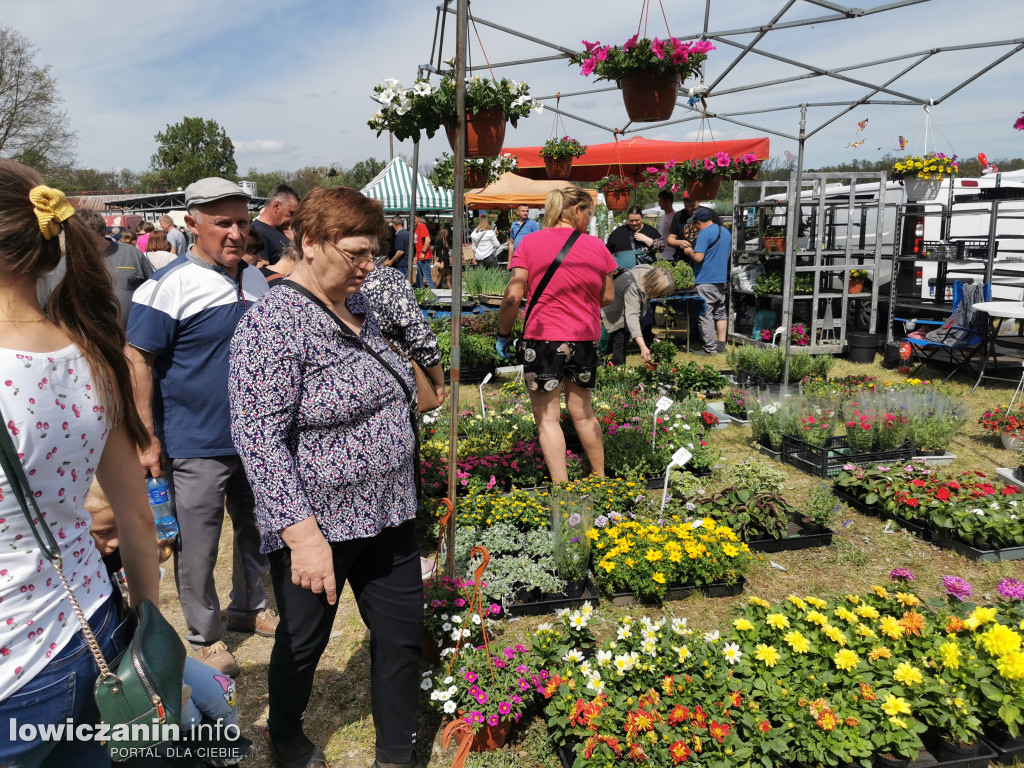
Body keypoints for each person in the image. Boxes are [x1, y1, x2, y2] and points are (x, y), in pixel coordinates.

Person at [228, 186, 423, 768]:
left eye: (374, 253)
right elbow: (258, 439)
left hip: (390, 512)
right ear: (310, 242)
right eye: (357, 253)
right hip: (320, 527)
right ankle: (285, 733)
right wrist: (302, 537)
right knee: (304, 642)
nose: (369, 266)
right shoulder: (273, 324)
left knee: (401, 638)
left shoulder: (364, 311)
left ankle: (396, 752)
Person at [0, 159, 160, 767]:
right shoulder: (92, 357)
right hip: (90, 627)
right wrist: (146, 639)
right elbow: (138, 523)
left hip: (14, 660)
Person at [125, 177, 275, 678]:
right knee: (199, 544)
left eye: (241, 220)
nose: (235, 232)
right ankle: (204, 634)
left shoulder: (255, 281)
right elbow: (137, 361)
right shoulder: (167, 287)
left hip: (257, 439)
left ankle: (249, 606)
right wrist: (147, 438)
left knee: (257, 531)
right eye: (222, 222)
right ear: (192, 225)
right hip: (195, 442)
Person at [495, 186, 616, 483]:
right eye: (588, 212)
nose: (589, 218)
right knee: (584, 413)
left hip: (543, 339)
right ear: (576, 211)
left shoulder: (530, 243)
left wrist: (503, 333)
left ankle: (562, 489)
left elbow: (513, 296)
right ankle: (601, 478)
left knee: (548, 419)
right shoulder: (598, 247)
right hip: (584, 338)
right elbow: (608, 297)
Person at [362, 263, 446, 405]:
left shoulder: (321, 283)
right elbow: (420, 336)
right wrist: (438, 381)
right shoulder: (386, 278)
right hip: (391, 382)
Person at [678, 206, 732, 355]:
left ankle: (709, 349)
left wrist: (689, 252)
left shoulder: (704, 234)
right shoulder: (726, 232)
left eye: (695, 225)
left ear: (699, 223)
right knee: (720, 312)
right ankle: (721, 344)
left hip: (706, 279)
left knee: (705, 314)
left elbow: (698, 257)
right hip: (721, 279)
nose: (695, 228)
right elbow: (728, 254)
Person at [601, 265, 676, 366]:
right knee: (620, 339)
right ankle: (618, 372)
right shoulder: (634, 287)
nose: (659, 297)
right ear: (654, 286)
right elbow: (632, 317)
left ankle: (603, 362)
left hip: (624, 301)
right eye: (659, 293)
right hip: (614, 307)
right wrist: (643, 346)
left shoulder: (651, 273)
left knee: (616, 340)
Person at [251, 184, 300, 264]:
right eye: (291, 213)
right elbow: (262, 271)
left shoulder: (277, 229)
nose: (293, 219)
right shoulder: (258, 233)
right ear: (276, 206)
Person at [605, 206, 664, 272]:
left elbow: (661, 247)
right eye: (631, 221)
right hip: (622, 275)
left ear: (641, 218)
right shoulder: (617, 233)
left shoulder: (651, 231)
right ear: (628, 219)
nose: (634, 223)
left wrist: (646, 239)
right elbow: (606, 252)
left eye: (637, 220)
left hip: (645, 275)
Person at [413, 213, 434, 289]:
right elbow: (418, 244)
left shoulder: (422, 226)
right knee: (419, 279)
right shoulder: (416, 227)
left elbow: (428, 240)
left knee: (428, 279)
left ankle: (435, 298)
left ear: (418, 218)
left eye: (415, 218)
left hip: (424, 258)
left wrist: (423, 252)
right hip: (420, 258)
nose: (413, 220)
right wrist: (416, 256)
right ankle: (420, 296)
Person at [657, 189, 678, 261]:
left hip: (671, 256)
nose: (659, 203)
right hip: (662, 255)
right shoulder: (663, 216)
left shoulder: (675, 217)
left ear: (668, 201)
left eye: (661, 200)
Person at [435, 223, 453, 288]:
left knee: (448, 277)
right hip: (444, 260)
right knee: (441, 276)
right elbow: (439, 252)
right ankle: (434, 290)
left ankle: (451, 290)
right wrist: (442, 262)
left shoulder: (443, 240)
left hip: (446, 259)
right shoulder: (440, 241)